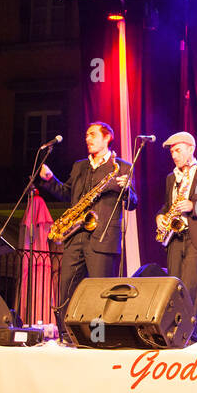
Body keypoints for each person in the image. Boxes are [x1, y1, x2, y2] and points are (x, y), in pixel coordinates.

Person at [36, 120, 136, 324]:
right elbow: (67, 194)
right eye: (86, 135)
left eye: (92, 134)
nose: (87, 138)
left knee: (101, 290)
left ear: (107, 137)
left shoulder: (122, 167)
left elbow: (133, 203)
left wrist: (126, 189)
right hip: (75, 235)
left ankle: (100, 335)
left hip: (103, 237)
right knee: (67, 288)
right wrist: (50, 179)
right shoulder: (79, 166)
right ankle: (67, 333)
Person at [159, 131, 197, 322]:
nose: (174, 155)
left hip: (196, 238)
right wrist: (160, 216)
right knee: (173, 285)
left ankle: (189, 330)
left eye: (177, 150)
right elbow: (167, 206)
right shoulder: (171, 178)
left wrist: (194, 206)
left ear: (191, 149)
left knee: (191, 285)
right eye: (172, 153)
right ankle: (173, 329)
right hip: (175, 238)